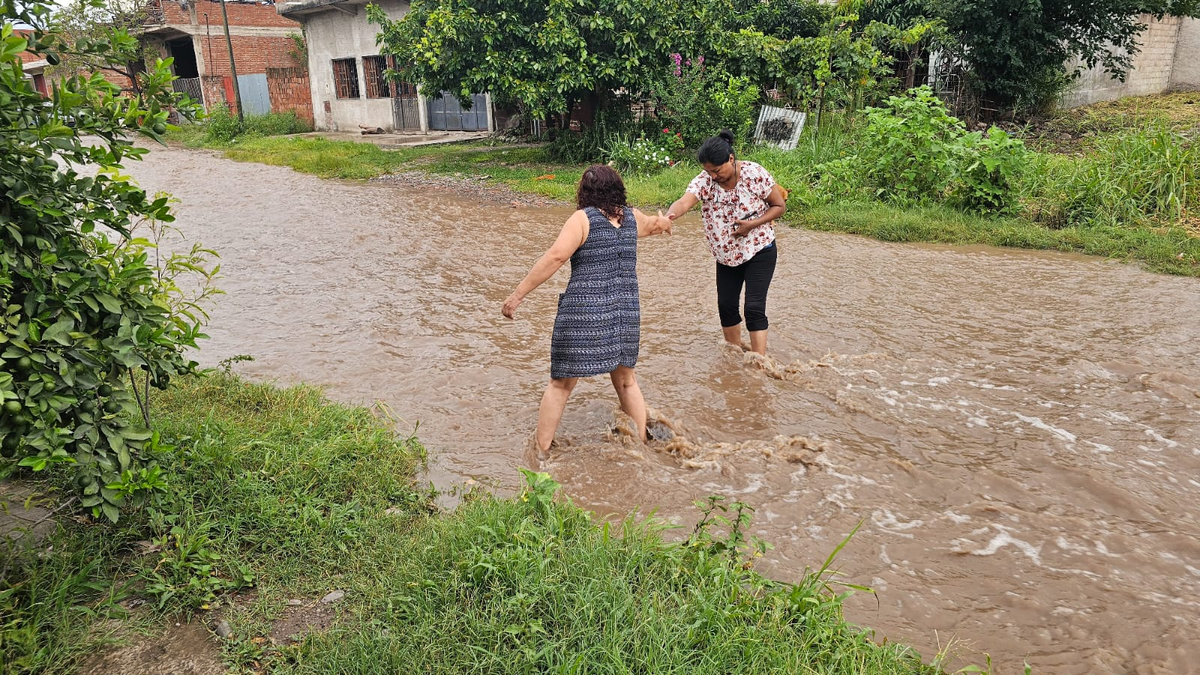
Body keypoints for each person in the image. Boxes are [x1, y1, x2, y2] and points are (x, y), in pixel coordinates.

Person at [503, 165, 673, 455]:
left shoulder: (583, 219)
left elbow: (556, 256)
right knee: (626, 381)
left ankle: (540, 453)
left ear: (584, 192)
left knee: (561, 384)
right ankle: (643, 448)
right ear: (618, 189)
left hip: (584, 313)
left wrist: (517, 295)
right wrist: (665, 222)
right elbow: (656, 226)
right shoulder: (632, 217)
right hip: (625, 313)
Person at [666, 129, 786, 355]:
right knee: (726, 307)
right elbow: (683, 202)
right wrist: (667, 218)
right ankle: (733, 357)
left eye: (717, 170)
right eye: (708, 171)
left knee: (754, 308)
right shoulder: (704, 181)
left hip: (759, 250)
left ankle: (758, 363)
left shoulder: (754, 173)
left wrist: (752, 224)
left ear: (731, 159)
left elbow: (779, 206)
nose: (713, 176)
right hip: (726, 256)